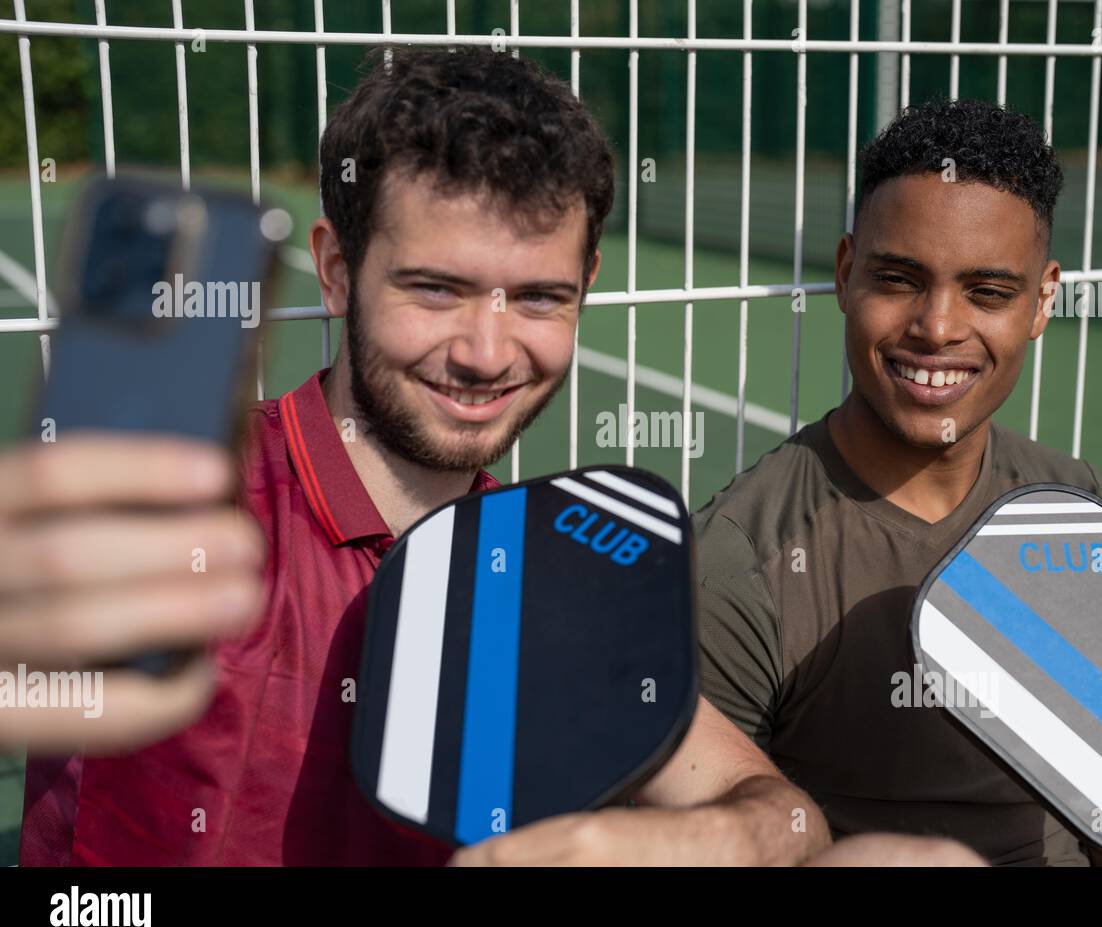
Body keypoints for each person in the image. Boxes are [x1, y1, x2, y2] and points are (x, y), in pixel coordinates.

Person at [16, 46, 830, 867]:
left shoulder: (550, 561)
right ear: (336, 272)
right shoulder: (191, 505)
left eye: (541, 297)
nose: (486, 352)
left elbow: (789, 818)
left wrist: (708, 837)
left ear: (586, 283)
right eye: (437, 289)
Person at [690, 98, 1102, 867]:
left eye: (988, 292)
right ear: (846, 274)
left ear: (1043, 301)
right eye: (900, 279)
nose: (938, 327)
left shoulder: (1099, 521)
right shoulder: (737, 561)